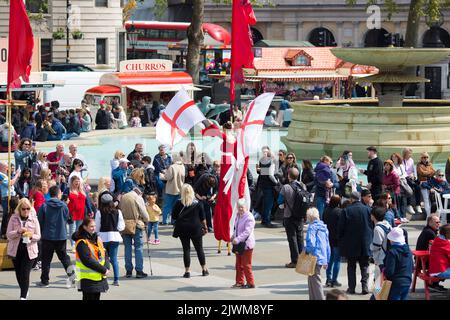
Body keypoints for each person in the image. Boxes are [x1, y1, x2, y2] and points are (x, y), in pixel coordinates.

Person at [37, 185, 73, 287]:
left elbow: (40, 221)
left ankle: (45, 281)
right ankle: (72, 277)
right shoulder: (64, 206)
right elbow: (67, 218)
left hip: (47, 236)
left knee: (46, 259)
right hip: (60, 236)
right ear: (58, 194)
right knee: (65, 258)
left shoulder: (44, 206)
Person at [338, 191, 373, 295]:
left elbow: (341, 228)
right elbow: (371, 225)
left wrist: (341, 239)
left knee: (351, 266)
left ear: (351, 199)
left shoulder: (346, 211)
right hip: (365, 242)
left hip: (351, 243)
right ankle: (364, 286)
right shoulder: (367, 209)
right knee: (364, 266)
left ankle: (352, 287)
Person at [6, 198, 41, 300]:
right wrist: (18, 231)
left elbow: (38, 236)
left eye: (28, 208)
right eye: (23, 209)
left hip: (30, 251)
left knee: (25, 273)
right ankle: (25, 290)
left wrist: (31, 236)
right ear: (19, 209)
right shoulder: (13, 218)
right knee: (18, 273)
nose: (26, 211)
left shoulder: (34, 219)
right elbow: (8, 235)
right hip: (15, 250)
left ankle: (23, 296)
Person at [172, 184, 209, 278]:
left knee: (186, 249)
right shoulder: (197, 203)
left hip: (182, 228)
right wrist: (205, 227)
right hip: (195, 228)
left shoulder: (178, 203)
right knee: (199, 249)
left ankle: (187, 271)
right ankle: (204, 269)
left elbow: (174, 217)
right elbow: (203, 218)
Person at [73, 218, 110, 300]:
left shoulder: (97, 239)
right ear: (85, 227)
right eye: (91, 226)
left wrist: (106, 268)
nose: (94, 228)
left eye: (94, 226)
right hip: (87, 279)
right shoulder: (81, 242)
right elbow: (87, 260)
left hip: (98, 276)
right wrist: (103, 270)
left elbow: (105, 254)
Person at [277, 168, 305, 268]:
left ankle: (295, 261)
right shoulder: (302, 185)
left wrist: (283, 205)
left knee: (292, 238)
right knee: (300, 237)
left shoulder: (286, 187)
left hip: (289, 215)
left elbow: (279, 202)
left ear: (289, 176)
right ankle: (302, 260)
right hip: (300, 215)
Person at [95, 193, 125, 286]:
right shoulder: (118, 212)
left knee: (102, 258)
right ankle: (116, 280)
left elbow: (97, 226)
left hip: (103, 237)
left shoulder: (99, 212)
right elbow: (121, 227)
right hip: (115, 236)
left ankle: (103, 277)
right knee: (114, 259)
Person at [119, 187, 149, 278]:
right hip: (136, 224)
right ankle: (139, 270)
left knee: (127, 248)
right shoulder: (138, 198)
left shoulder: (123, 197)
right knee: (138, 248)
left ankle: (128, 270)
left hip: (125, 225)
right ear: (140, 192)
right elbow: (144, 214)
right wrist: (146, 221)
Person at [305, 207, 330, 300]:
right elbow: (327, 245)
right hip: (322, 256)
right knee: (312, 278)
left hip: (314, 256)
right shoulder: (324, 227)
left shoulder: (312, 227)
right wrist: (327, 259)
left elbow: (311, 242)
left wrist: (307, 251)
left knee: (315, 279)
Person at [231, 199, 256, 289]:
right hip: (239, 244)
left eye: (242, 207)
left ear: (246, 207)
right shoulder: (238, 215)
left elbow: (247, 232)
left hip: (247, 244)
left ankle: (250, 282)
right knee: (238, 264)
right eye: (239, 207)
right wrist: (233, 236)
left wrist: (237, 239)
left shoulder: (249, 217)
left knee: (246, 264)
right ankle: (239, 282)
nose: (240, 209)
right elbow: (236, 228)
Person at [384, 227, 413, 300]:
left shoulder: (392, 252)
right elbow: (411, 267)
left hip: (396, 282)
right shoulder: (408, 251)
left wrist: (383, 270)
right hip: (407, 280)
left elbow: (389, 272)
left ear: (391, 240)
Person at [323, 195, 342, 288]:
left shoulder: (326, 210)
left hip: (328, 237)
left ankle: (328, 279)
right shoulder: (339, 212)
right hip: (337, 238)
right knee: (337, 260)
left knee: (330, 259)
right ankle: (334, 280)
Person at [161, 152, 185, 225]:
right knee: (176, 207)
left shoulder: (172, 167)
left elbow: (168, 177)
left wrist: (163, 175)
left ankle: (165, 221)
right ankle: (174, 221)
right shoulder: (182, 166)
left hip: (171, 189)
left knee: (167, 206)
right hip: (180, 189)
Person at [256, 146, 277, 227]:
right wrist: (277, 182)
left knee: (266, 203)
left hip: (263, 184)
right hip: (268, 185)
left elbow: (261, 172)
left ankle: (264, 220)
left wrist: (262, 170)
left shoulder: (261, 161)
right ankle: (267, 221)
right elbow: (270, 175)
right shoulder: (271, 162)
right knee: (269, 204)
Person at [67, 175, 87, 249]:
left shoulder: (82, 190)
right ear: (72, 182)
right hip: (72, 213)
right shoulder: (68, 190)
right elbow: (64, 200)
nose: (77, 183)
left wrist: (90, 210)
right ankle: (72, 245)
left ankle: (77, 244)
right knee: (72, 229)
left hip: (81, 213)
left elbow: (86, 201)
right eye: (76, 181)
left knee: (79, 229)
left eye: (78, 181)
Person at [402, 147, 421, 214]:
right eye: (409, 153)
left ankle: (418, 205)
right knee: (409, 188)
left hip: (411, 177)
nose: (410, 154)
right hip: (405, 178)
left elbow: (413, 170)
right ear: (405, 154)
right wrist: (408, 176)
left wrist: (413, 176)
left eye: (411, 153)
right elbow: (402, 171)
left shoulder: (411, 160)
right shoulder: (401, 160)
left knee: (418, 187)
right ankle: (408, 205)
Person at [417, 152, 436, 216]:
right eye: (424, 157)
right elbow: (422, 173)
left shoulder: (430, 164)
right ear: (421, 158)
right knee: (426, 199)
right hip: (423, 183)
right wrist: (429, 172)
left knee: (432, 200)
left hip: (430, 183)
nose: (426, 159)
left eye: (427, 157)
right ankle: (428, 215)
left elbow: (434, 172)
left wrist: (428, 172)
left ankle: (431, 214)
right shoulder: (419, 165)